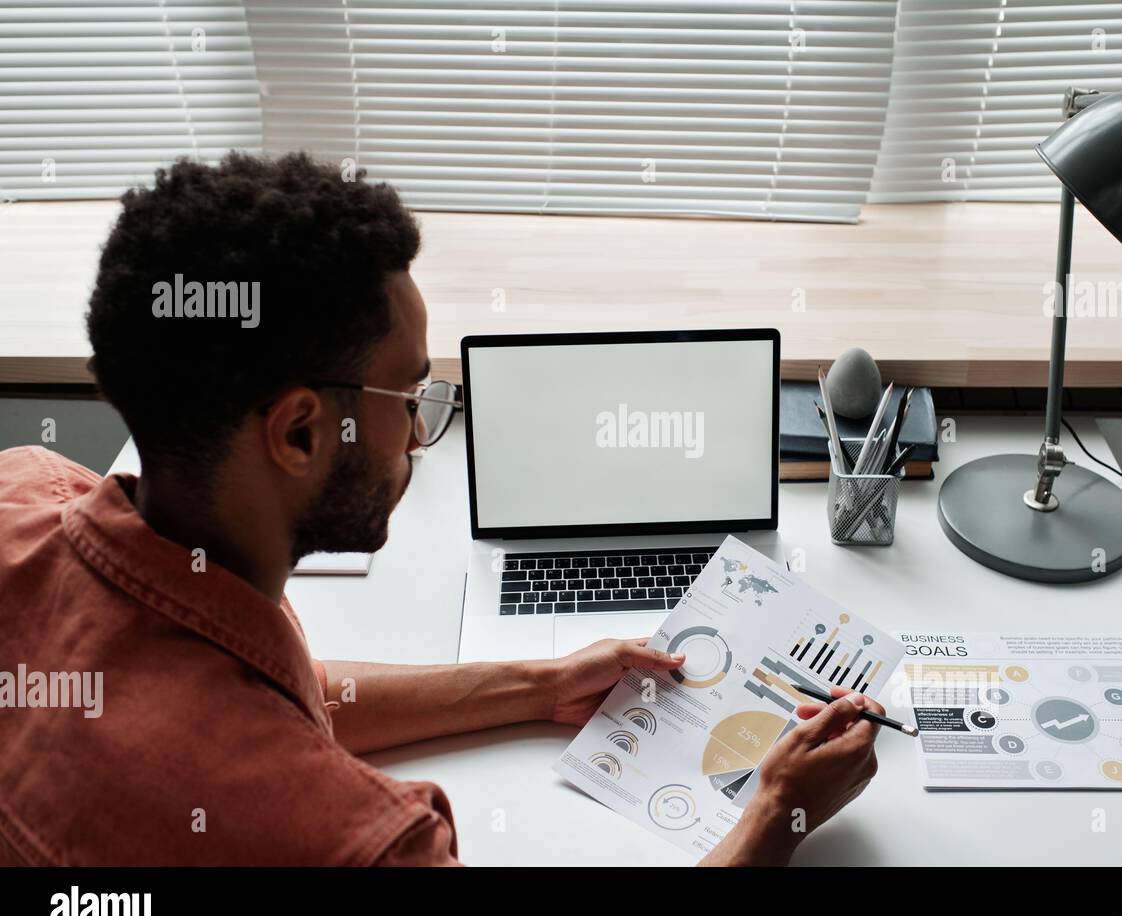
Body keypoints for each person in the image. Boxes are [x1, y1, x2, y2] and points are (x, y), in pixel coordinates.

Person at [0, 152, 885, 866]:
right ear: (300, 432)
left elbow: (284, 697)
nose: (421, 434)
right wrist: (777, 814)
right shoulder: (361, 842)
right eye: (410, 394)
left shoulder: (26, 487)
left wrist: (538, 686)